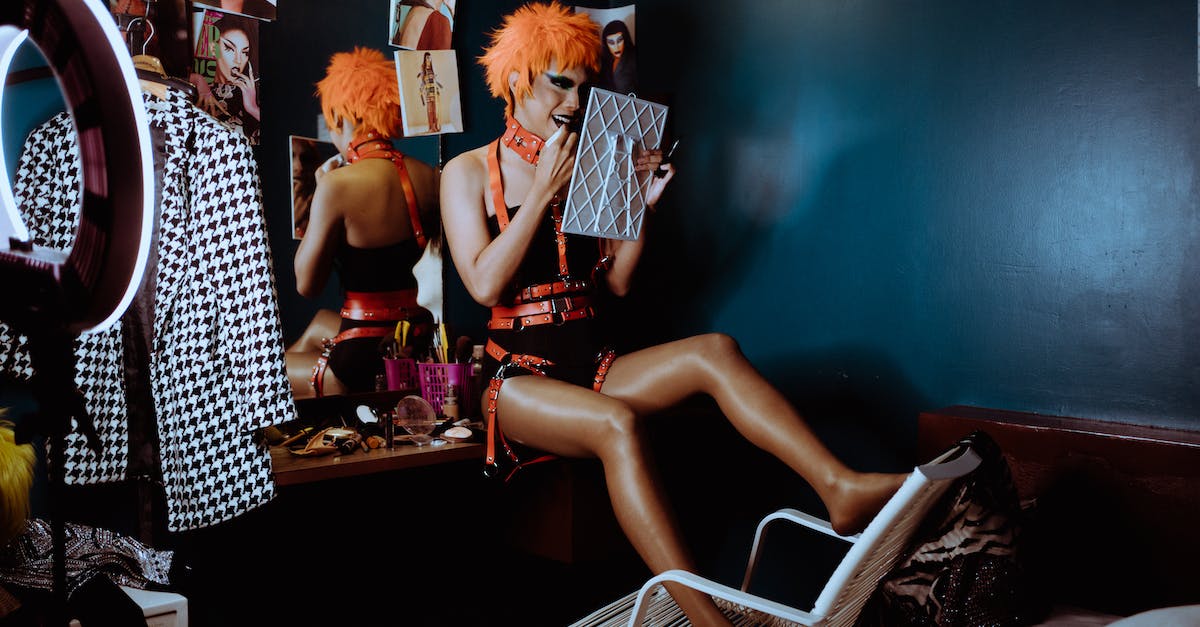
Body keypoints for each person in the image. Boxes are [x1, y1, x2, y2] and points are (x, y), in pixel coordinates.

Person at [438, 3, 907, 625]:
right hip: (518, 379)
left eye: (584, 87)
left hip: (592, 363)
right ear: (519, 79)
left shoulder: (593, 162)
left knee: (715, 350)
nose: (575, 101)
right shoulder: (467, 171)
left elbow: (619, 283)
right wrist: (544, 191)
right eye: (560, 83)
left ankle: (838, 487)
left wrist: (642, 205)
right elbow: (482, 284)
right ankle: (706, 620)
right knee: (618, 424)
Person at [287, 47, 440, 399]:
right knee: (319, 323)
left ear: (341, 117)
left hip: (360, 362)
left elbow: (306, 284)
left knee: (260, 372)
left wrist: (322, 193)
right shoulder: (429, 176)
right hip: (413, 341)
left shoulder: (336, 185)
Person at [190, 12, 261, 144]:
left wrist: (252, 107)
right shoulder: (201, 82)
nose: (238, 60)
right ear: (213, 48)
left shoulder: (253, 90)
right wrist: (197, 79)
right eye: (229, 48)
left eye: (245, 52)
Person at [598, 18, 637, 95]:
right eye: (611, 42)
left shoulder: (633, 58)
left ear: (625, 39)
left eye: (619, 40)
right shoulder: (605, 61)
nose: (616, 47)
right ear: (606, 44)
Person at [417, 52, 443, 133]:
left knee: (434, 109)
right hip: (427, 91)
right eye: (427, 58)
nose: (429, 59)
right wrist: (421, 91)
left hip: (433, 90)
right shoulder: (423, 68)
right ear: (425, 59)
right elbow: (422, 81)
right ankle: (431, 127)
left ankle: (435, 126)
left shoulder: (432, 68)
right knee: (430, 109)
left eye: (430, 58)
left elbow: (434, 80)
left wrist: (438, 86)